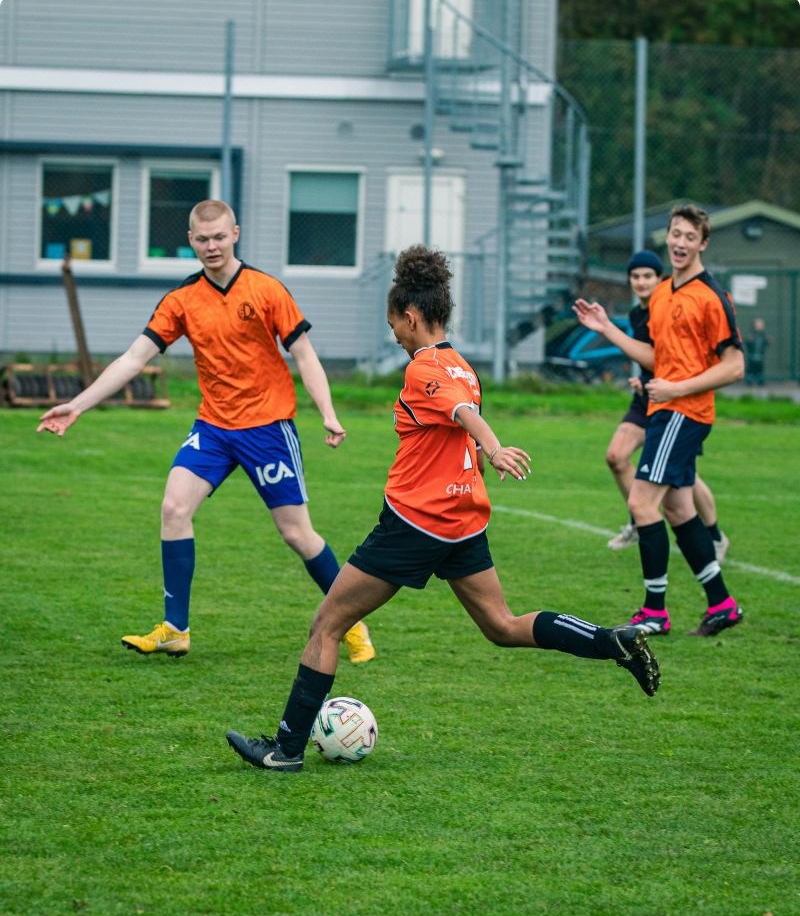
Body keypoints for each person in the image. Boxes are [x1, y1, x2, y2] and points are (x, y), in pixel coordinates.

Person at [225, 245, 660, 774]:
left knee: (328, 625)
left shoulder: (424, 369)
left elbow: (461, 411)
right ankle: (609, 642)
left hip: (414, 523)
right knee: (502, 625)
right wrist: (482, 452)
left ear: (411, 317)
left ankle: (285, 750)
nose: (394, 334)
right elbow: (459, 417)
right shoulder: (463, 364)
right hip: (462, 522)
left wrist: (493, 446)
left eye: (394, 325)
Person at [37, 199, 375, 663]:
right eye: (202, 238)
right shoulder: (182, 300)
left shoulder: (266, 289)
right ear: (191, 240)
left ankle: (351, 622)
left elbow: (304, 354)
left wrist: (328, 412)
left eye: (219, 237)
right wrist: (77, 405)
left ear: (235, 233)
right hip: (214, 428)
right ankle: (175, 629)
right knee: (174, 508)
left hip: (268, 427)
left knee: (297, 535)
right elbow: (134, 359)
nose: (212, 246)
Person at [574, 204, 745, 637]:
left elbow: (734, 365)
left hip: (683, 413)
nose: (680, 243)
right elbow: (658, 359)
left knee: (641, 504)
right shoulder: (664, 292)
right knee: (677, 507)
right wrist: (607, 329)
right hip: (666, 409)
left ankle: (655, 611)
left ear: (703, 243)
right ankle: (722, 603)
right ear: (666, 238)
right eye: (675, 234)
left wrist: (677, 388)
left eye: (690, 237)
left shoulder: (711, 297)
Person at [606, 250, 730, 567]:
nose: (641, 282)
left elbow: (677, 359)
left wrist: (656, 379)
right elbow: (651, 356)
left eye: (648, 276)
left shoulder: (677, 304)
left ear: (660, 278)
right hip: (646, 397)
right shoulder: (637, 314)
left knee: (684, 478)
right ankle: (638, 519)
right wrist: (642, 380)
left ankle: (715, 536)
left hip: (676, 400)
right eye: (635, 276)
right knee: (616, 456)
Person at [744, 317, 769, 385]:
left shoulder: (763, 335)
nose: (760, 326)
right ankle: (749, 380)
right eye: (758, 325)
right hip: (751, 356)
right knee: (751, 369)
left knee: (760, 369)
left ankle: (760, 380)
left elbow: (767, 341)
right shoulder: (751, 334)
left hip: (760, 356)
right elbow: (747, 341)